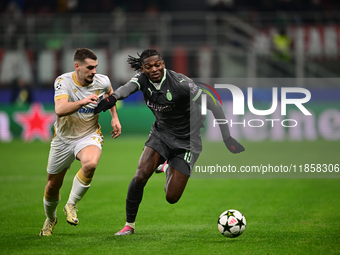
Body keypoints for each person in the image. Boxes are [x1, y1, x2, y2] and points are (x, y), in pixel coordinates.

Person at [94, 49, 244, 235]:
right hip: (161, 135)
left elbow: (213, 104)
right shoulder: (142, 79)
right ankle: (129, 226)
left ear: (163, 64)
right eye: (149, 67)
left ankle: (167, 167)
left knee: (171, 197)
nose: (154, 69)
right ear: (143, 69)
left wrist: (227, 137)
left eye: (158, 65)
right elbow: (127, 88)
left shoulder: (182, 84)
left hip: (188, 141)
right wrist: (113, 98)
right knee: (140, 175)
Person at [39, 48, 121, 236]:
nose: (94, 72)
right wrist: (83, 101)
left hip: (88, 135)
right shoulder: (63, 81)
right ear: (77, 66)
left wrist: (114, 117)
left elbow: (110, 95)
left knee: (91, 163)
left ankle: (71, 204)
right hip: (63, 139)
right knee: (52, 186)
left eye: (96, 67)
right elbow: (60, 109)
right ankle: (51, 218)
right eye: (90, 68)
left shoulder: (102, 81)